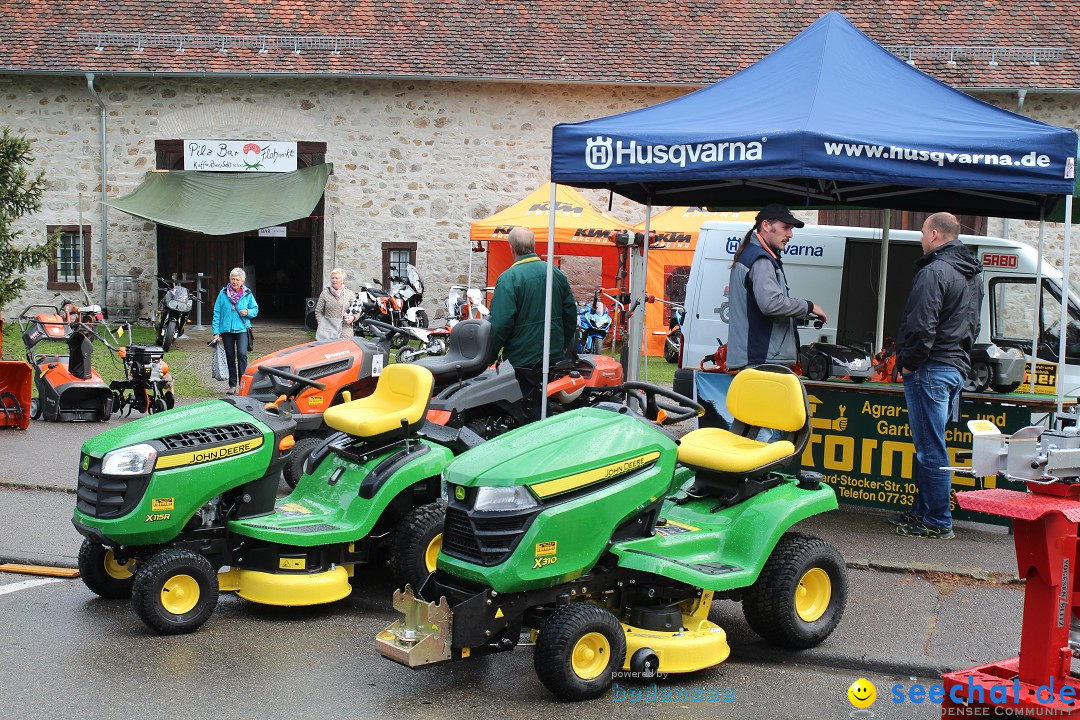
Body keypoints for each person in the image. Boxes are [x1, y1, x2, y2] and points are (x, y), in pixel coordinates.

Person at [891, 212, 982, 540]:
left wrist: (911, 363)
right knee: (930, 446)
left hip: (931, 368)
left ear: (933, 234)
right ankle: (923, 512)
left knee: (930, 448)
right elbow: (974, 325)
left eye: (921, 232)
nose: (919, 238)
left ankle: (937, 521)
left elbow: (921, 324)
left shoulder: (934, 271)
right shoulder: (972, 273)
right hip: (954, 366)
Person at [488, 226, 578, 421]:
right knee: (540, 400)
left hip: (524, 357)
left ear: (511, 248)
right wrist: (561, 345)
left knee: (528, 409)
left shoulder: (509, 278)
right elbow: (570, 314)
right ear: (533, 246)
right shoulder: (556, 273)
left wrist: (490, 354)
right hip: (550, 353)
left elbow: (501, 322)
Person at [726, 202, 827, 370]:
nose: (790, 234)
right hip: (761, 360)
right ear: (766, 225)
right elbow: (771, 304)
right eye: (785, 227)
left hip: (754, 359)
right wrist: (809, 306)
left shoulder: (752, 255)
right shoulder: (761, 260)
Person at [212, 267, 259, 395]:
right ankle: (232, 385)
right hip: (226, 330)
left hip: (242, 329)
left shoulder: (247, 293)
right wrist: (216, 332)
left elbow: (255, 309)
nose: (234, 282)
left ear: (242, 281)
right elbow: (217, 313)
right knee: (230, 356)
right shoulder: (223, 293)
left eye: (237, 279)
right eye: (232, 279)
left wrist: (248, 312)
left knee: (242, 355)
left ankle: (243, 385)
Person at [315, 267, 356, 340]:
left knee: (344, 350)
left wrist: (353, 318)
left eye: (336, 278)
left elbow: (357, 309)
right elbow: (318, 311)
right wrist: (322, 325)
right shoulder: (325, 293)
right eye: (332, 278)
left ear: (342, 280)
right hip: (328, 331)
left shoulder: (349, 293)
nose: (334, 280)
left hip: (345, 331)